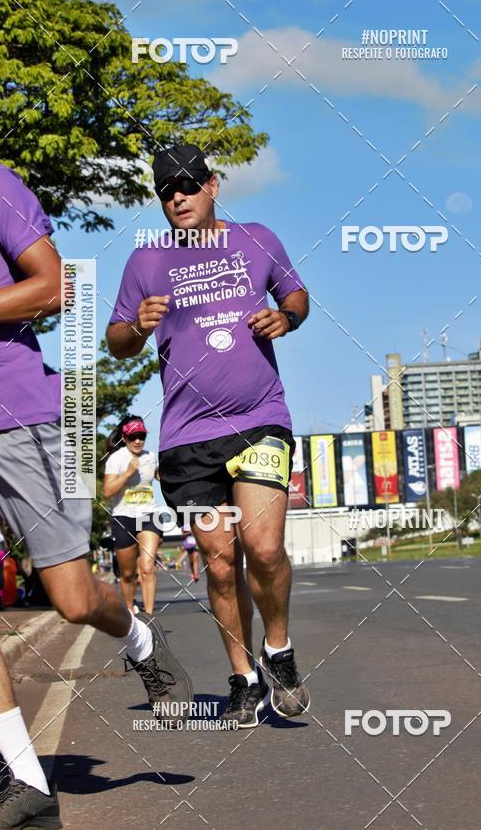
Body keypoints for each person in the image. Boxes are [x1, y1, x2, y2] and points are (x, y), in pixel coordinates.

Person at [0, 160, 192, 828]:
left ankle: (138, 639)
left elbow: (55, 287)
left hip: (22, 414)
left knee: (72, 598)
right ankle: (22, 784)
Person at [107, 143, 310, 729]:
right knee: (220, 564)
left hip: (259, 420)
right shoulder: (146, 261)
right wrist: (136, 328)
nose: (179, 197)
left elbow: (294, 294)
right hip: (190, 440)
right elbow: (116, 339)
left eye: (189, 185)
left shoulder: (258, 239)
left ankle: (280, 652)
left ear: (212, 186)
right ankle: (243, 678)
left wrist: (286, 318)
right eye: (167, 190)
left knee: (264, 548)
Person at [103, 415, 162, 614]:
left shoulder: (150, 456)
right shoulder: (116, 459)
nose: (138, 441)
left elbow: (162, 477)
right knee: (128, 574)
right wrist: (127, 473)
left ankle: (150, 616)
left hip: (149, 515)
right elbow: (107, 491)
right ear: (124, 438)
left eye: (141, 436)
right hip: (123, 518)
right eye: (132, 437)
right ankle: (129, 609)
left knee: (147, 567)